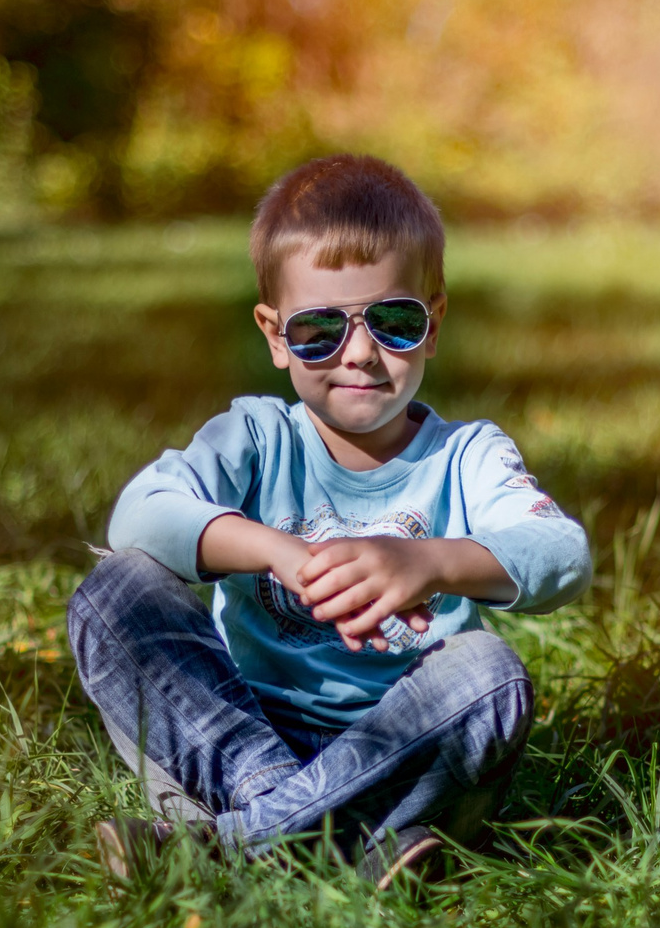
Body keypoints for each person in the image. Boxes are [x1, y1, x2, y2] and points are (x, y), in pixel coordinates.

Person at [68, 154, 592, 886]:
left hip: (406, 747)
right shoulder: (255, 437)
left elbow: (562, 551)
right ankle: (324, 835)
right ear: (275, 336)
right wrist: (276, 551)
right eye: (319, 329)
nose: (360, 353)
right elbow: (139, 515)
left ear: (434, 324)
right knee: (112, 593)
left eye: (395, 321)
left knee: (492, 677)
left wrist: (431, 562)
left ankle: (226, 845)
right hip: (237, 734)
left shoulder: (468, 456)